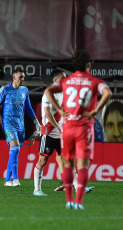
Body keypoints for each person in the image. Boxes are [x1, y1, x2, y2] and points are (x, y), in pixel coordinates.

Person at [45, 50, 112, 210]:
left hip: (67, 128)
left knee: (68, 164)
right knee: (82, 166)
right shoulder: (95, 81)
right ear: (89, 65)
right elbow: (107, 93)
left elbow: (48, 91)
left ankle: (68, 200)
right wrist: (96, 111)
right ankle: (78, 202)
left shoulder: (66, 81)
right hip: (83, 129)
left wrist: (59, 110)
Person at [0, 68, 41, 187]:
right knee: (15, 148)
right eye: (20, 77)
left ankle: (7, 180)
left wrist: (36, 121)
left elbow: (28, 107)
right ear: (14, 77)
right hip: (8, 124)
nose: (23, 79)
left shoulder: (24, 90)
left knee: (15, 151)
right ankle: (15, 179)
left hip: (20, 125)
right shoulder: (4, 89)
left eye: (23, 77)